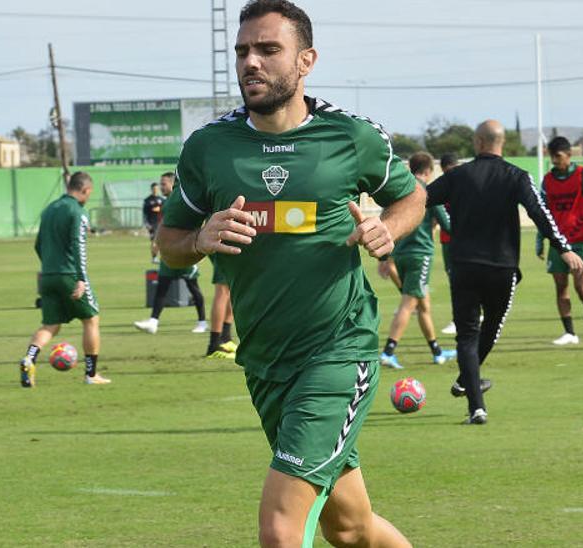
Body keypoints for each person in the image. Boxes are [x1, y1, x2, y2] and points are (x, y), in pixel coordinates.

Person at [156, 2, 421, 545]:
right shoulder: (208, 148)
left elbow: (412, 196)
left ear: (306, 61)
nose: (251, 62)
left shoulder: (350, 137)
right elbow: (168, 244)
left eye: (268, 50)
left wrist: (387, 229)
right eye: (243, 51)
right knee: (351, 530)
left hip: (337, 353)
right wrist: (199, 240)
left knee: (281, 527)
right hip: (265, 363)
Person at [427, 120, 583, 425]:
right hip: (502, 267)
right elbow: (540, 212)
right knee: (490, 330)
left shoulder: (457, 176)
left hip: (463, 266)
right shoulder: (516, 175)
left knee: (467, 337)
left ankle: (475, 404)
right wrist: (563, 247)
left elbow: (420, 198)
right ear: (502, 143)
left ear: (477, 142)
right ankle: (468, 386)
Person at [18, 171, 110, 387]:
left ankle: (29, 359)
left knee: (50, 325)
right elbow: (79, 246)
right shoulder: (77, 211)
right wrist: (80, 279)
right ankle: (91, 374)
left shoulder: (49, 209)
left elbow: (38, 245)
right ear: (85, 190)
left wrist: (50, 267)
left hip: (48, 275)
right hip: (70, 275)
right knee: (91, 320)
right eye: (89, 193)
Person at [377, 151, 456, 369]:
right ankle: (388, 352)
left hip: (400, 255)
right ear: (429, 171)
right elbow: (448, 224)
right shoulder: (427, 192)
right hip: (419, 255)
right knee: (408, 304)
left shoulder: (398, 191)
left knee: (424, 306)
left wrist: (384, 258)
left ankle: (437, 352)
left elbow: (386, 221)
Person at [536, 136, 583, 345]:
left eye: (559, 157)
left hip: (580, 241)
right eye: (552, 157)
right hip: (558, 242)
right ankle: (570, 332)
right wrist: (540, 240)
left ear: (569, 155)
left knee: (581, 286)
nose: (555, 161)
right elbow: (541, 212)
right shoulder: (547, 180)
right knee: (560, 286)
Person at [132, 261, 208, 334]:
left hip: (186, 258)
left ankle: (202, 322)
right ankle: (153, 322)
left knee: (193, 288)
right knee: (161, 290)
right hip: (167, 259)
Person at [437, 152, 461, 336]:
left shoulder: (468, 185)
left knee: (460, 281)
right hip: (447, 241)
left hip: (462, 241)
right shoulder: (443, 185)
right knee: (455, 279)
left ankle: (458, 319)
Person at [205, 261, 238, 359]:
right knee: (223, 289)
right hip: (224, 248)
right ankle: (214, 346)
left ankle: (225, 339)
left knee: (233, 287)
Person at [143, 178, 167, 263]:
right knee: (154, 241)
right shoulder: (147, 200)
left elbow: (165, 210)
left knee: (162, 241)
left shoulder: (162, 199)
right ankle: (154, 257)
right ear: (151, 189)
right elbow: (145, 214)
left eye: (157, 188)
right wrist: (147, 224)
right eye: (154, 189)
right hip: (153, 223)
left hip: (162, 223)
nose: (155, 190)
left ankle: (161, 257)